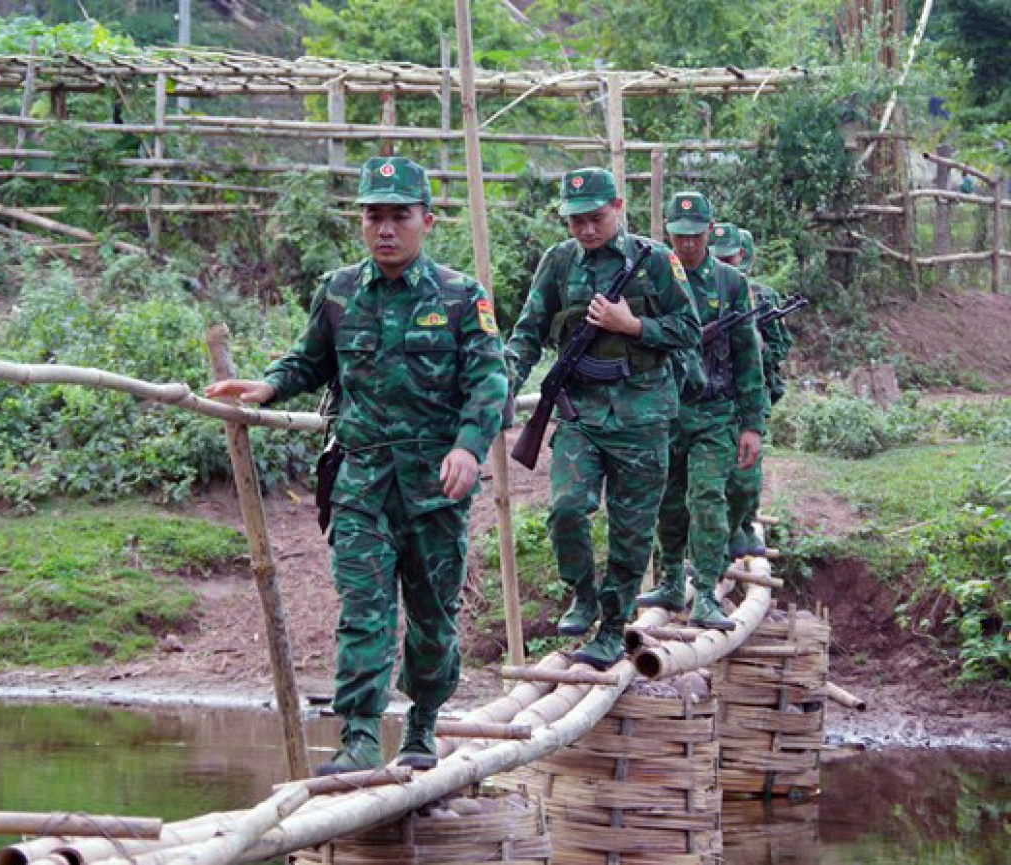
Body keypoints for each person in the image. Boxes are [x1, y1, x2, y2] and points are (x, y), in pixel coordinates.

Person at [204, 156, 508, 774]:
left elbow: (488, 381)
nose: (386, 229)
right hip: (360, 483)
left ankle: (422, 723)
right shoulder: (339, 291)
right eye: (374, 216)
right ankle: (361, 737)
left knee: (431, 621)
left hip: (435, 490)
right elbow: (309, 360)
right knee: (365, 609)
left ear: (427, 220)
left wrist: (468, 448)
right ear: (361, 221)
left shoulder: (459, 297)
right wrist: (266, 387)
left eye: (399, 216)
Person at [505, 167, 700, 670]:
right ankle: (582, 595)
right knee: (567, 508)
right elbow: (527, 332)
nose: (586, 230)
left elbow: (688, 329)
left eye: (595, 218)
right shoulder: (559, 262)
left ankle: (613, 629)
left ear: (618, 206)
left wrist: (631, 325)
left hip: (643, 417)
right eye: (576, 221)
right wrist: (503, 381)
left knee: (632, 532)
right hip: (580, 414)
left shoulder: (654, 260)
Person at [639, 195, 768, 630]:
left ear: (709, 231)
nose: (688, 244)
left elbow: (749, 358)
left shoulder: (731, 283)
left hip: (715, 411)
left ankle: (707, 591)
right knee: (668, 501)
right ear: (667, 231)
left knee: (708, 499)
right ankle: (673, 579)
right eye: (679, 235)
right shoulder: (651, 276)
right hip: (665, 409)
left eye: (695, 235)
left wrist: (752, 424)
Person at [721, 226, 793, 558]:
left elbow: (779, 349)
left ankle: (744, 522)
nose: (724, 262)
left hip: (750, 391)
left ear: (743, 256)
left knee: (747, 468)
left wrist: (755, 347)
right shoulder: (695, 289)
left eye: (730, 256)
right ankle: (722, 532)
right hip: (711, 392)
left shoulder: (762, 298)